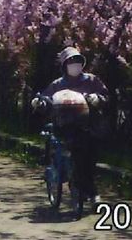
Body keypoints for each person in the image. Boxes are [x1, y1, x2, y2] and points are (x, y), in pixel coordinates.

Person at [31, 46, 109, 204]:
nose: (75, 65)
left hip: (88, 125)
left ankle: (89, 189)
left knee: (89, 157)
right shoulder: (58, 84)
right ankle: (74, 181)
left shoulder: (92, 81)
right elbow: (46, 98)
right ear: (65, 65)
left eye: (77, 62)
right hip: (64, 125)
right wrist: (39, 102)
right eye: (71, 62)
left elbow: (105, 96)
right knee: (70, 150)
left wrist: (96, 98)